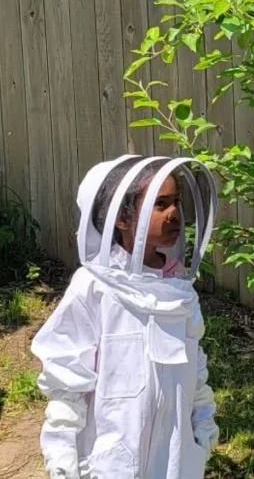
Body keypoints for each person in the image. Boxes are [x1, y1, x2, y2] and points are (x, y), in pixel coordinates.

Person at [31, 155, 220, 479]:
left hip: (176, 456)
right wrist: (62, 451)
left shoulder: (177, 288)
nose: (175, 213)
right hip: (113, 457)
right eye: (160, 204)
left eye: (176, 201)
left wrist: (203, 420)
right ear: (122, 218)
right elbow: (67, 378)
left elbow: (194, 364)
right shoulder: (95, 289)